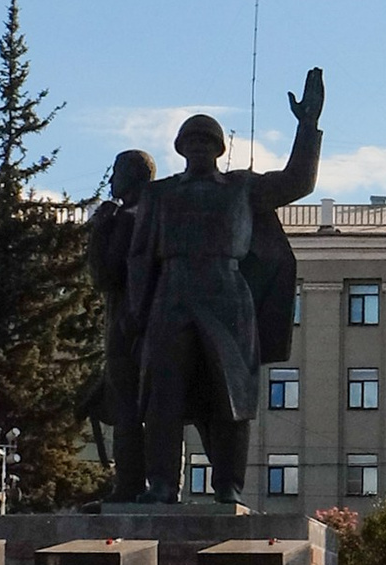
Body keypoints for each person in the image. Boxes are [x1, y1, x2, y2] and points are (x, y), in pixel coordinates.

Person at [127, 71, 324, 503]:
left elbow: (297, 182)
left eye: (207, 142)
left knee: (231, 396)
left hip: (227, 295)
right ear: (180, 149)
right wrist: (138, 314)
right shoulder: (158, 195)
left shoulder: (243, 187)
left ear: (219, 149)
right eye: (191, 142)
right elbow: (140, 257)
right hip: (172, 294)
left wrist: (306, 128)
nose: (199, 148)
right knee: (164, 395)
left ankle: (228, 486)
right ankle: (161, 484)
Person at [85, 147, 156, 500]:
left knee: (127, 411)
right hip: (156, 326)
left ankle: (128, 487)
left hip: (126, 328)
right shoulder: (159, 215)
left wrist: (100, 228)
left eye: (115, 172)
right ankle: (159, 486)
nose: (111, 179)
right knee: (158, 412)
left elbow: (105, 275)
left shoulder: (126, 219)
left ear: (130, 176)